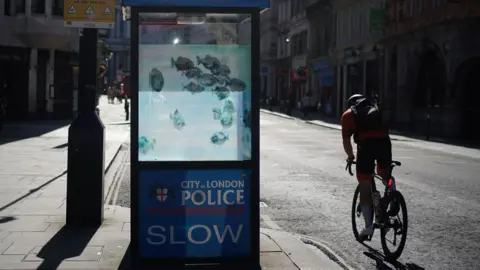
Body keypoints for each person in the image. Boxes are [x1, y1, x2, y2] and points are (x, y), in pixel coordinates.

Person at [341, 93, 392, 240]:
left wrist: (350, 157)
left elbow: (346, 141)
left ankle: (369, 226)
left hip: (366, 146)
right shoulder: (375, 109)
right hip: (384, 142)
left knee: (364, 183)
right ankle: (392, 195)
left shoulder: (348, 115)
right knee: (384, 173)